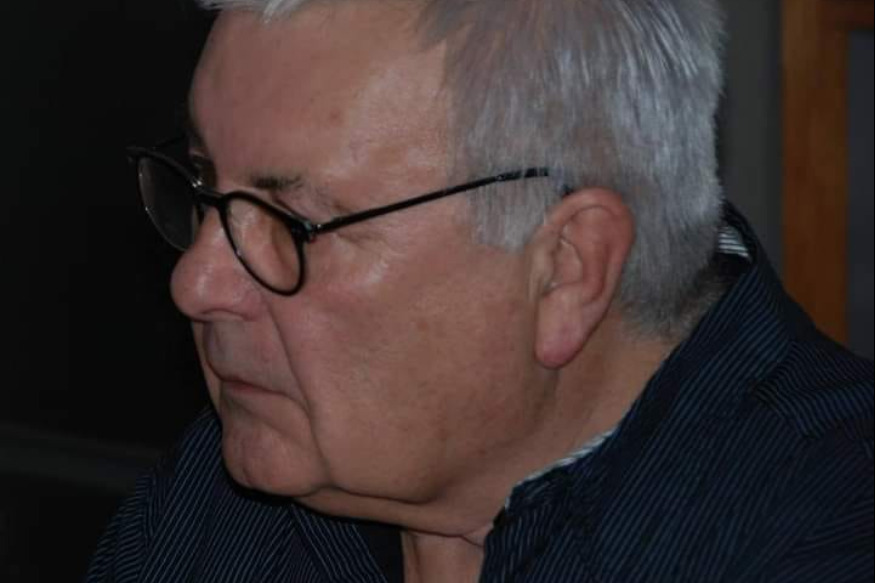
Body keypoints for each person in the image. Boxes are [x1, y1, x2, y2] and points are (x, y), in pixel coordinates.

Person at [87, 0, 873, 581]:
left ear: (565, 269)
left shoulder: (829, 535)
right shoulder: (230, 490)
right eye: (204, 184)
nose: (196, 283)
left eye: (293, 223)